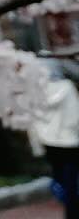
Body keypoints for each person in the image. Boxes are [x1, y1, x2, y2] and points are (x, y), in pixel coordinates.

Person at [30, 58, 79, 218]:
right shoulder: (67, 88)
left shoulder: (34, 92)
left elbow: (32, 122)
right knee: (72, 180)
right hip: (70, 141)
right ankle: (72, 211)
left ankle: (68, 205)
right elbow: (75, 117)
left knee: (60, 179)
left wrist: (37, 145)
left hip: (48, 142)